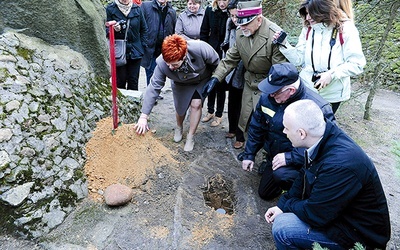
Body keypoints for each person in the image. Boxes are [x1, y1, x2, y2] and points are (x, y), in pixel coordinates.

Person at [265, 99, 391, 250]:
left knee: (283, 228)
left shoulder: (339, 165)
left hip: (358, 235)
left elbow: (315, 215)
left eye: (286, 128)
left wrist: (289, 206)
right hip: (339, 215)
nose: (284, 132)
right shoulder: (324, 137)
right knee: (285, 216)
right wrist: (282, 205)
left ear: (301, 133)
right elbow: (303, 176)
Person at [240, 62, 335, 200]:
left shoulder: (317, 108)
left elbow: (324, 146)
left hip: (302, 161)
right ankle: (272, 165)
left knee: (282, 175)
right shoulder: (268, 98)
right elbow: (257, 126)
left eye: (275, 92)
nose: (270, 95)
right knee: (265, 194)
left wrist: (290, 158)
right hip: (275, 153)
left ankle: (304, 192)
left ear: (290, 90)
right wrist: (249, 154)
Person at [202, 0, 287, 149]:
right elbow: (230, 59)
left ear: (259, 19)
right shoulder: (242, 31)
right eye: (240, 23)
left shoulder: (274, 35)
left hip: (268, 85)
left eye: (246, 24)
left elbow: (280, 70)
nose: (241, 27)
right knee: (245, 115)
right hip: (249, 81)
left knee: (267, 121)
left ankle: (267, 153)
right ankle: (246, 144)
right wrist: (215, 78)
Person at [273, 0, 366, 113]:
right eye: (306, 14)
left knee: (321, 128)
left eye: (311, 13)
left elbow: (357, 64)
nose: (307, 18)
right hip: (306, 89)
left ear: (322, 11)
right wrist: (284, 45)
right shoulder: (308, 29)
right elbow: (299, 59)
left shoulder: (345, 28)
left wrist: (331, 75)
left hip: (332, 95)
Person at [134, 34, 220, 151]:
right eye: (168, 63)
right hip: (180, 82)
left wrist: (214, 78)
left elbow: (217, 62)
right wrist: (144, 116)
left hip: (201, 79)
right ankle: (179, 127)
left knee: (196, 104)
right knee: (180, 108)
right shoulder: (161, 63)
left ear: (184, 56)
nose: (170, 67)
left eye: (174, 64)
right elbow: (154, 87)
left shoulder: (200, 48)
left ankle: (191, 136)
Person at [106, 0, 148, 90]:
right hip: (119, 51)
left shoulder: (137, 9)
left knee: (133, 80)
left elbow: (144, 29)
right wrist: (114, 30)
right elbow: (105, 31)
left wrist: (142, 46)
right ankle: (121, 103)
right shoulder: (110, 9)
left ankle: (134, 103)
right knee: (120, 81)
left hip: (135, 51)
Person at [200, 0, 229, 127]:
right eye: (220, 0)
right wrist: (204, 51)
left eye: (225, 0)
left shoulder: (231, 12)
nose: (222, 3)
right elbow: (204, 32)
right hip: (211, 52)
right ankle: (210, 111)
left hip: (226, 53)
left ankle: (219, 114)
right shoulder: (209, 11)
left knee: (220, 85)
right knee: (210, 82)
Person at [220, 0, 245, 147]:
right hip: (230, 66)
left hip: (243, 69)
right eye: (232, 16)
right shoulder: (229, 22)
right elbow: (226, 41)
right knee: (232, 100)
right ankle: (232, 129)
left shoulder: (247, 25)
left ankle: (241, 137)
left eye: (237, 16)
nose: (234, 19)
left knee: (242, 103)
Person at [141, 0, 177, 94]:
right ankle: (152, 94)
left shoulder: (171, 11)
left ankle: (155, 92)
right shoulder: (146, 6)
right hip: (150, 46)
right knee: (150, 71)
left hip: (164, 48)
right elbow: (141, 25)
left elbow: (174, 30)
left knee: (160, 71)